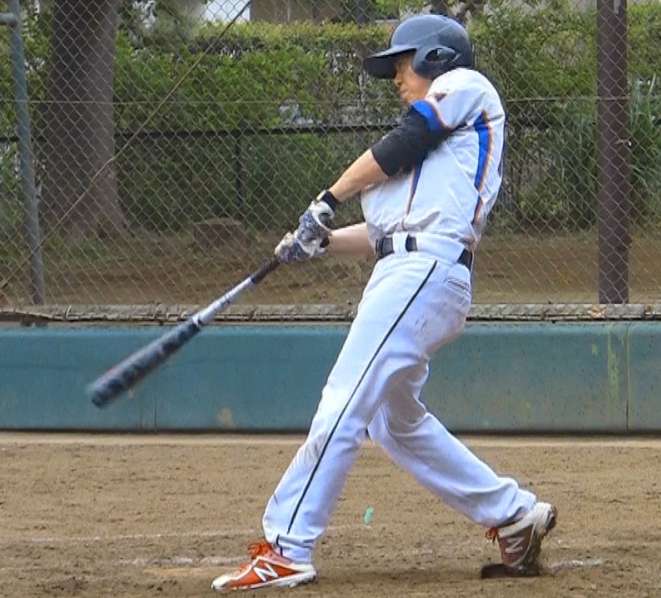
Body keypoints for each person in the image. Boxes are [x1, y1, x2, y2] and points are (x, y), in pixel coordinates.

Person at [211, 13, 557, 592]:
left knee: (344, 400)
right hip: (409, 272)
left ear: (435, 59)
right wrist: (319, 242)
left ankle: (287, 547)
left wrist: (328, 197)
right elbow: (379, 238)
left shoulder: (465, 88)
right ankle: (513, 514)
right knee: (392, 421)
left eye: (403, 64)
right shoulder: (432, 158)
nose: (397, 78)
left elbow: (405, 143)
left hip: (423, 273)